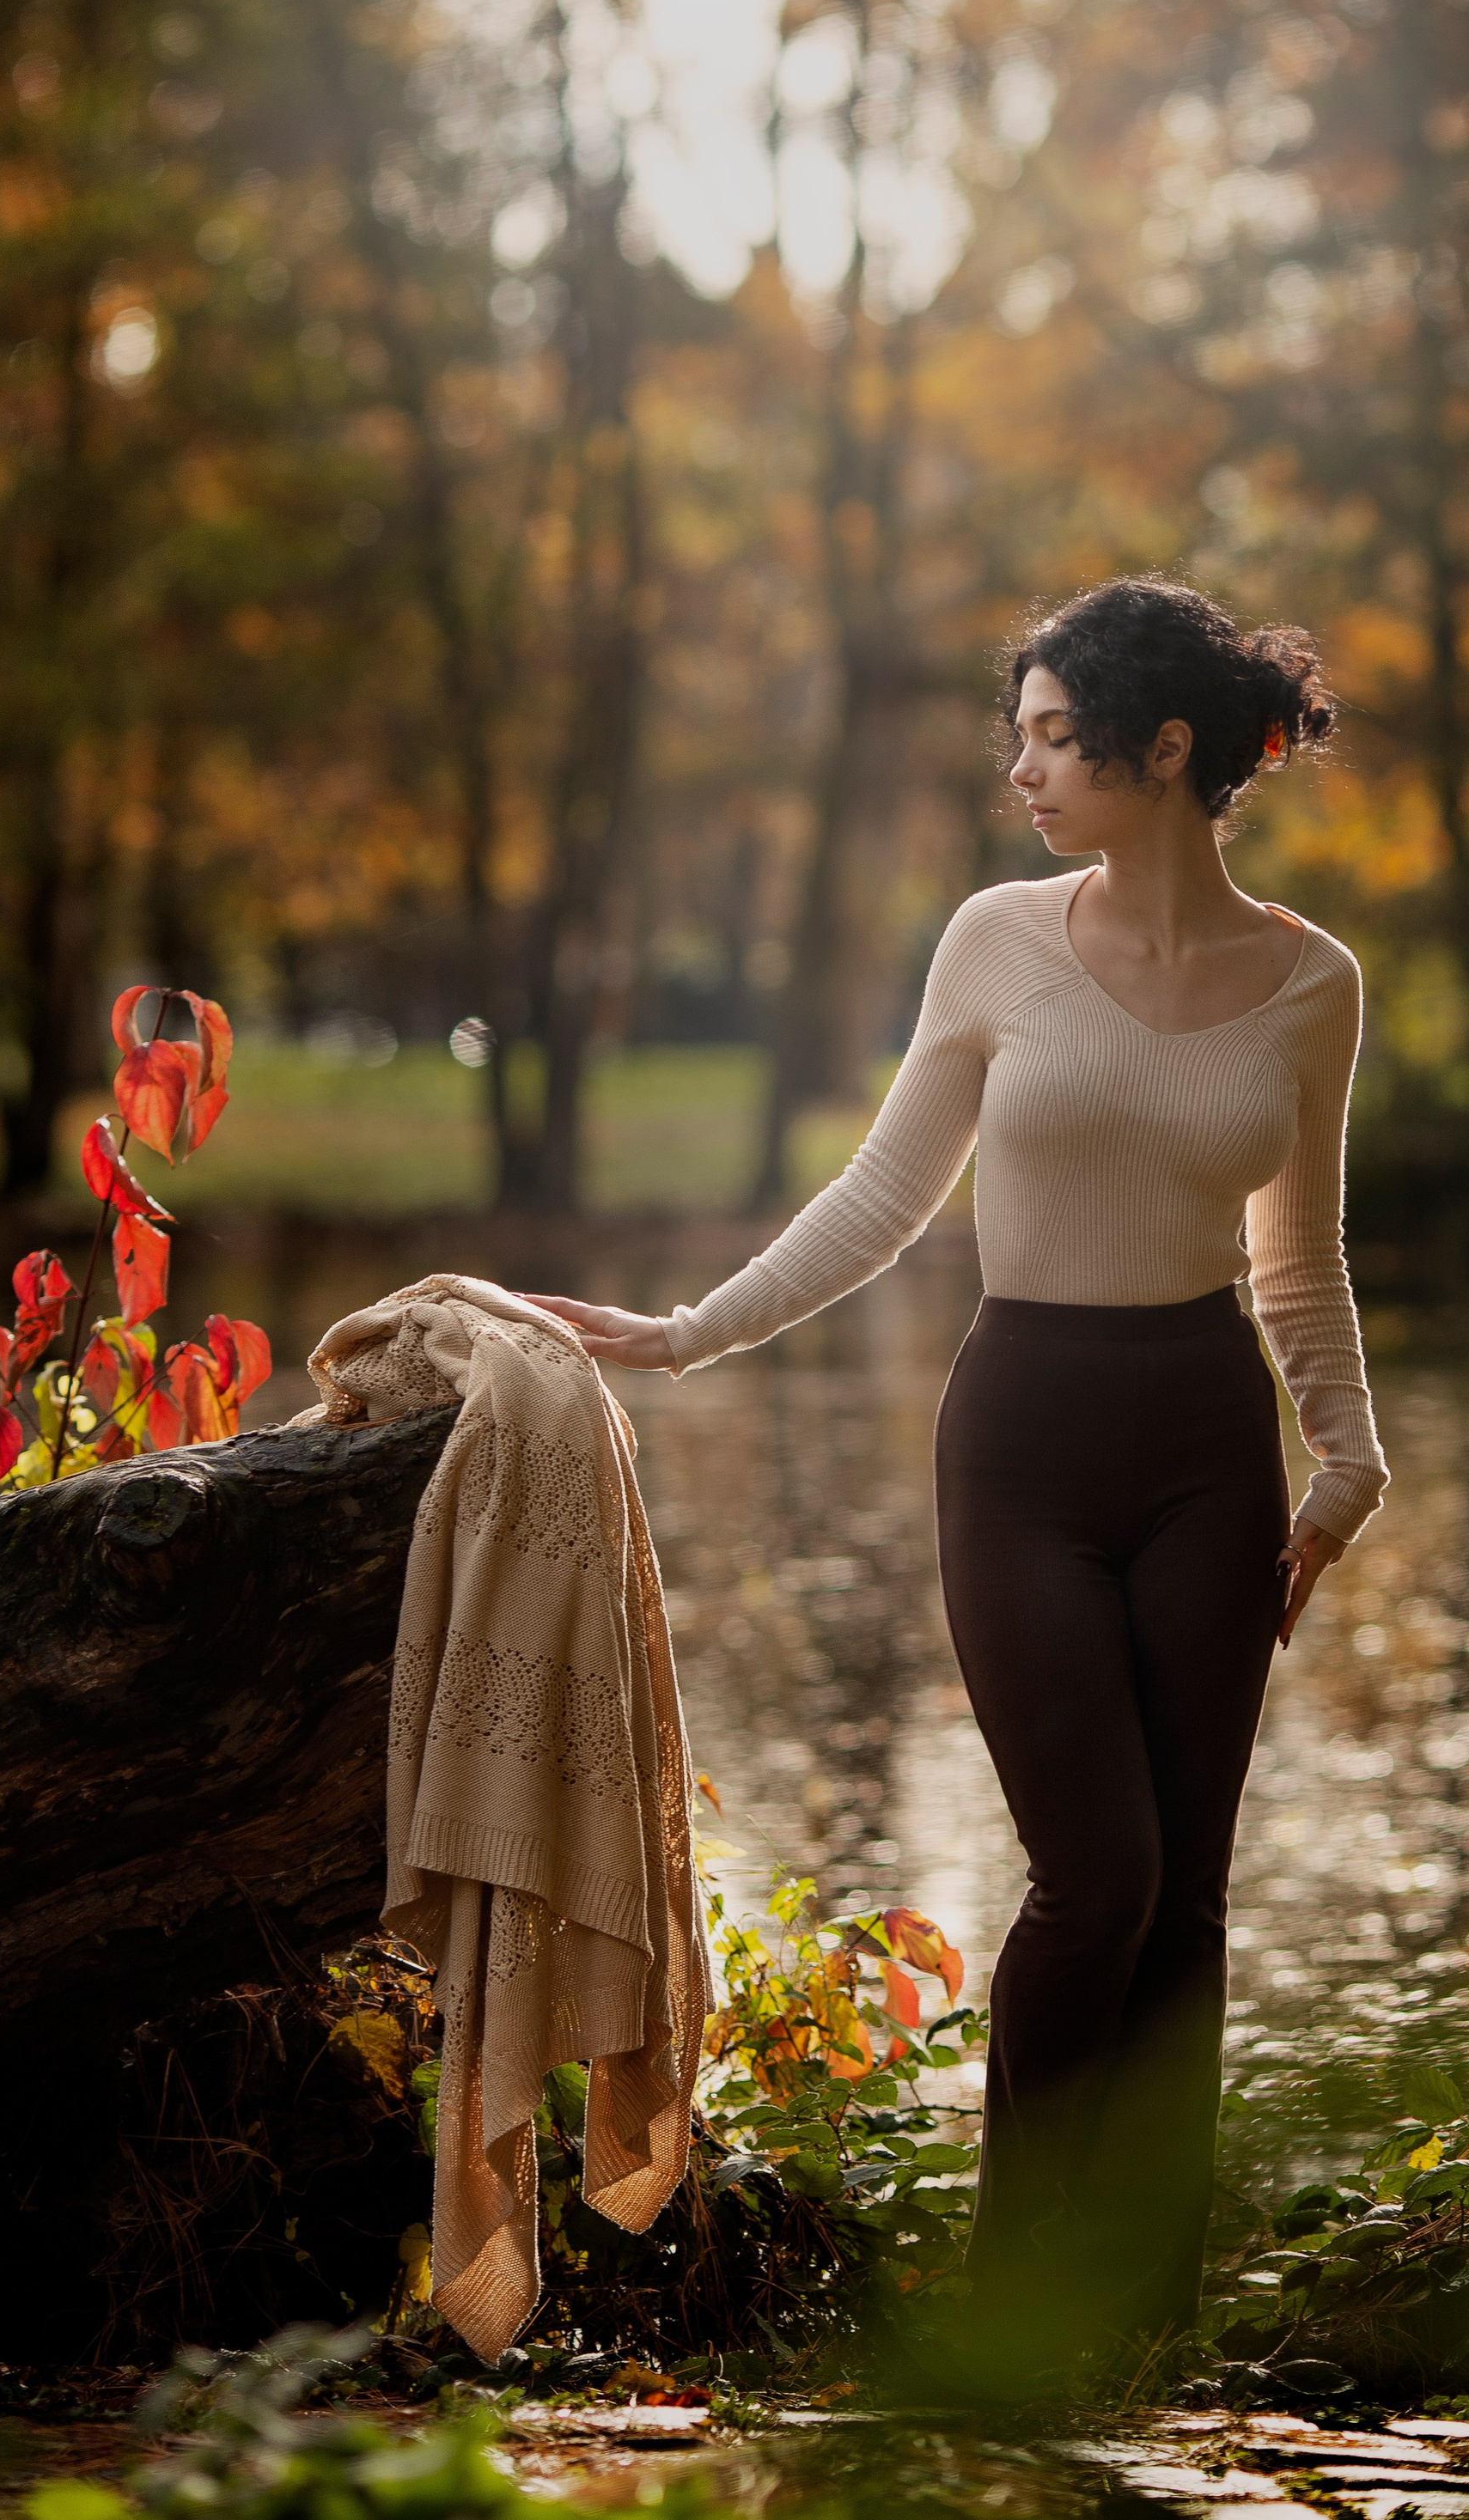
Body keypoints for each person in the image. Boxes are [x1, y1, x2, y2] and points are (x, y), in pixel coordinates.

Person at [532, 575, 1387, 2353]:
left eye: (1054, 737)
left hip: (1206, 1445)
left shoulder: (1312, 985)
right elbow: (881, 1196)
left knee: (1188, 1896)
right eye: (1017, 737)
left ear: (1166, 750)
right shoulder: (994, 940)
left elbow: (1295, 1255)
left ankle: (1142, 2316)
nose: (1022, 771)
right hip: (1022, 1442)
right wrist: (687, 1330)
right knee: (1098, 1875)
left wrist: (1346, 1457)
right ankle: (1006, 2318)